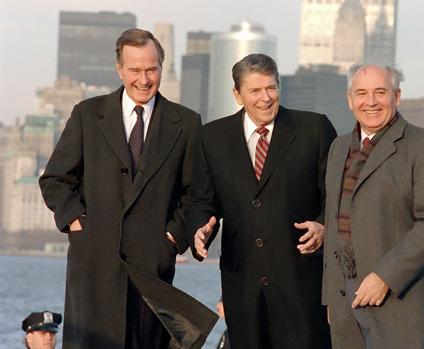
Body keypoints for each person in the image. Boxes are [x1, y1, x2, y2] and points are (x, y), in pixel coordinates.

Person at [39, 28, 217, 349]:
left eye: (152, 69)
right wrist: (79, 225)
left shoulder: (187, 123)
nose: (144, 79)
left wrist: (173, 237)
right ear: (120, 70)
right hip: (94, 265)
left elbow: (197, 193)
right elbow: (55, 179)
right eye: (135, 69)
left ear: (162, 67)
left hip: (152, 269)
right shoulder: (88, 115)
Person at [186, 53, 336, 349]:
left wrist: (323, 226)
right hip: (242, 287)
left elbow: (337, 197)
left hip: (302, 285)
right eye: (255, 90)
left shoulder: (314, 130)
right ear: (237, 94)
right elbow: (201, 201)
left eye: (272, 87)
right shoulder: (211, 137)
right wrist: (200, 229)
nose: (265, 98)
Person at [321, 63, 424, 349]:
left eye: (380, 92)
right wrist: (332, 296)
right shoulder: (338, 148)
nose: (370, 102)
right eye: (361, 93)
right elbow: (334, 223)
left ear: (397, 96)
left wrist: (385, 277)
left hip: (401, 302)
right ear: (349, 99)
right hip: (346, 307)